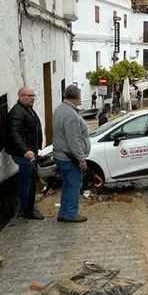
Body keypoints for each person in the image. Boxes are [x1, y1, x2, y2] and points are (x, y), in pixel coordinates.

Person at [52, 85, 90, 222]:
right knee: (74, 185)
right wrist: (81, 159)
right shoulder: (71, 115)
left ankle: (64, 212)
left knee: (68, 184)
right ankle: (70, 213)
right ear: (78, 97)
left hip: (60, 155)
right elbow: (73, 140)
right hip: (69, 158)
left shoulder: (59, 109)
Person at [6, 86, 44, 220]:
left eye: (33, 95)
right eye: (29, 96)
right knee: (28, 181)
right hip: (23, 153)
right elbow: (14, 133)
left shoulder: (26, 109)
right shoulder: (17, 112)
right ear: (21, 96)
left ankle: (28, 207)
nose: (32, 98)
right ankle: (28, 210)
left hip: (30, 151)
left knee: (28, 180)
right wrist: (25, 150)